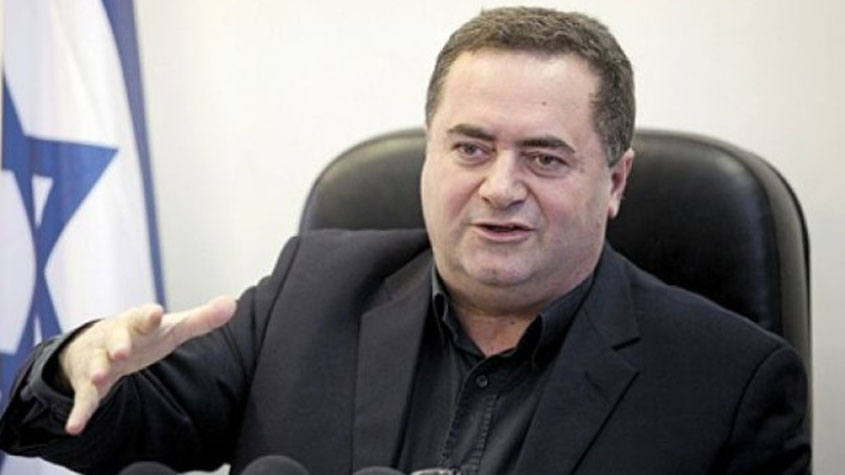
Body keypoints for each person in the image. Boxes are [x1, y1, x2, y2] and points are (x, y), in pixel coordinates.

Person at [0, 7, 809, 475]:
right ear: (430, 152)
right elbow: (122, 415)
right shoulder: (312, 287)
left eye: (544, 157)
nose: (499, 186)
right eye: (470, 147)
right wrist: (73, 365)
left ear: (616, 180)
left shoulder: (730, 382)